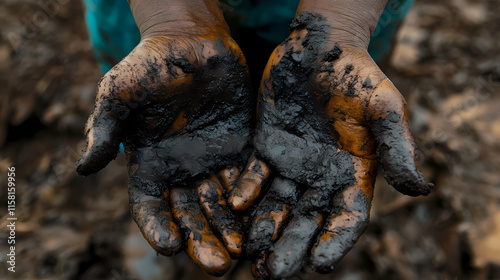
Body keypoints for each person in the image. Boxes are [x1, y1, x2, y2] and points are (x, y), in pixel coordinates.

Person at [77, 0, 433, 278]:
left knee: (338, 111)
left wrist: (340, 28)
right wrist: (178, 22)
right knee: (160, 113)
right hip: (151, 13)